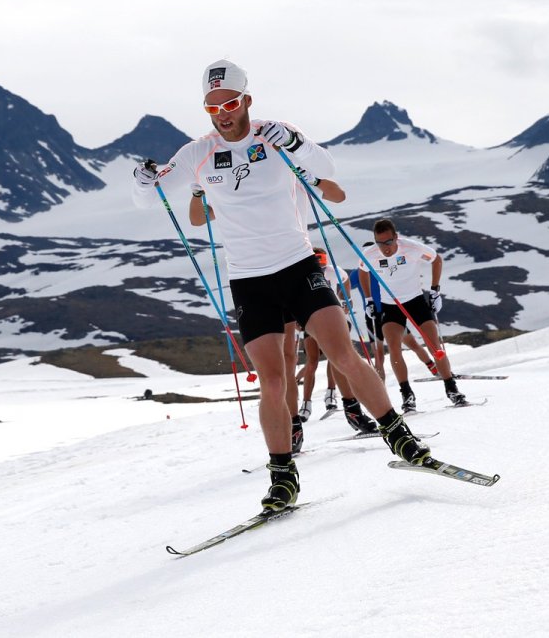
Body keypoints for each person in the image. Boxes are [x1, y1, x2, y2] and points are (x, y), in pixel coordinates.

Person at [134, 59, 431, 514]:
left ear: (246, 100)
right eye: (212, 106)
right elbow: (150, 194)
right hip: (249, 280)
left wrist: (296, 143)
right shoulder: (198, 153)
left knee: (343, 353)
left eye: (230, 103)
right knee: (272, 381)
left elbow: (327, 168)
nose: (222, 113)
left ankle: (399, 435)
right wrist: (142, 179)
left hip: (297, 265)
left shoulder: (274, 133)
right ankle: (283, 476)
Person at [189, 184, 306, 452]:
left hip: (291, 269)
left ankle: (301, 420)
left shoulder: (274, 186)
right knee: (278, 370)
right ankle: (292, 424)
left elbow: (333, 192)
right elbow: (198, 219)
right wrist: (197, 193)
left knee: (290, 359)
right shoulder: (232, 197)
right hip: (255, 281)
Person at [358, 218, 466, 413]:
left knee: (434, 345)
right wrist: (368, 300)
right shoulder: (370, 253)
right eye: (380, 243)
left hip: (415, 301)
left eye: (389, 242)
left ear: (396, 238)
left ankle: (451, 388)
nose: (385, 248)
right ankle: (407, 394)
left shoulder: (411, 248)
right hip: (391, 305)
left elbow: (436, 259)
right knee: (394, 347)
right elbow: (362, 271)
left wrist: (435, 291)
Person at [297, 248, 376, 433]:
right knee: (312, 361)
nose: (321, 268)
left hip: (334, 319)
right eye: (319, 265)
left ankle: (332, 395)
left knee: (336, 357)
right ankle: (306, 404)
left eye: (323, 265)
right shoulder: (303, 273)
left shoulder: (336, 271)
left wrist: (344, 302)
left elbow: (346, 289)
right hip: (310, 320)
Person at [351, 243, 438, 381]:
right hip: (373, 316)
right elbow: (345, 287)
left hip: (391, 311)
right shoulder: (358, 273)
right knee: (379, 355)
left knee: (412, 344)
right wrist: (345, 299)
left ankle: (434, 368)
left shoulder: (382, 265)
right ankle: (381, 389)